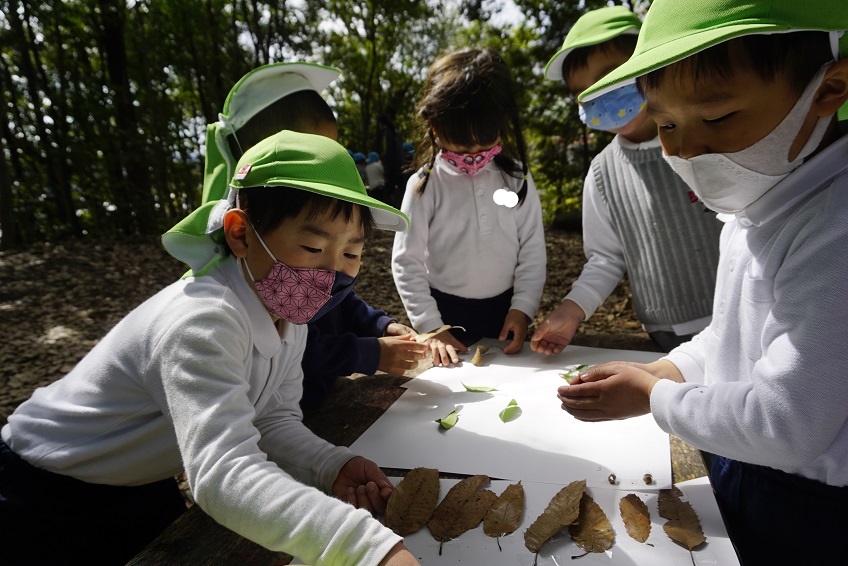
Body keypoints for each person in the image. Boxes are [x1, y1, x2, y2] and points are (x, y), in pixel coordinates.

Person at [0, 131, 419, 566]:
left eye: (351, 253)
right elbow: (223, 471)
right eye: (313, 247)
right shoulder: (203, 321)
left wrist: (330, 464)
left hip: (143, 478)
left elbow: (271, 418)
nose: (332, 272)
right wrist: (370, 550)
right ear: (240, 234)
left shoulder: (287, 315)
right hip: (44, 488)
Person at [559, 1, 848, 564]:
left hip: (807, 505)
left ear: (828, 89)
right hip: (744, 457)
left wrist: (655, 396)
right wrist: (666, 369)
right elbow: (733, 335)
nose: (683, 148)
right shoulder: (754, 203)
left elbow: (789, 423)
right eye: (665, 123)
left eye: (715, 118)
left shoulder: (833, 227)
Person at [197, 62, 425, 414]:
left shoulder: (300, 272)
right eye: (310, 153)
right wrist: (370, 353)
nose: (326, 166)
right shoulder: (231, 297)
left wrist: (382, 325)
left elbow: (338, 300)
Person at [531, 6, 722, 355]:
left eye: (610, 74)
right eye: (583, 90)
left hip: (738, 316)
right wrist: (572, 310)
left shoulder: (708, 137)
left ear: (649, 60)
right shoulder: (603, 172)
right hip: (664, 334)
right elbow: (605, 257)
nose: (599, 92)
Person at [392, 47, 547, 367]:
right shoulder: (425, 186)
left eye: (485, 143)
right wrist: (430, 326)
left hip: (505, 311)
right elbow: (406, 261)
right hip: (444, 314)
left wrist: (523, 308)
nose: (474, 155)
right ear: (435, 126)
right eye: (462, 145)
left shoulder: (515, 178)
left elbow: (532, 247)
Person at [377, 113, 405, 207]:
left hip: (392, 170)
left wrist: (386, 173)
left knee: (386, 195)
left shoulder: (387, 134)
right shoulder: (397, 133)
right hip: (400, 168)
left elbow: (387, 154)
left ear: (381, 123)